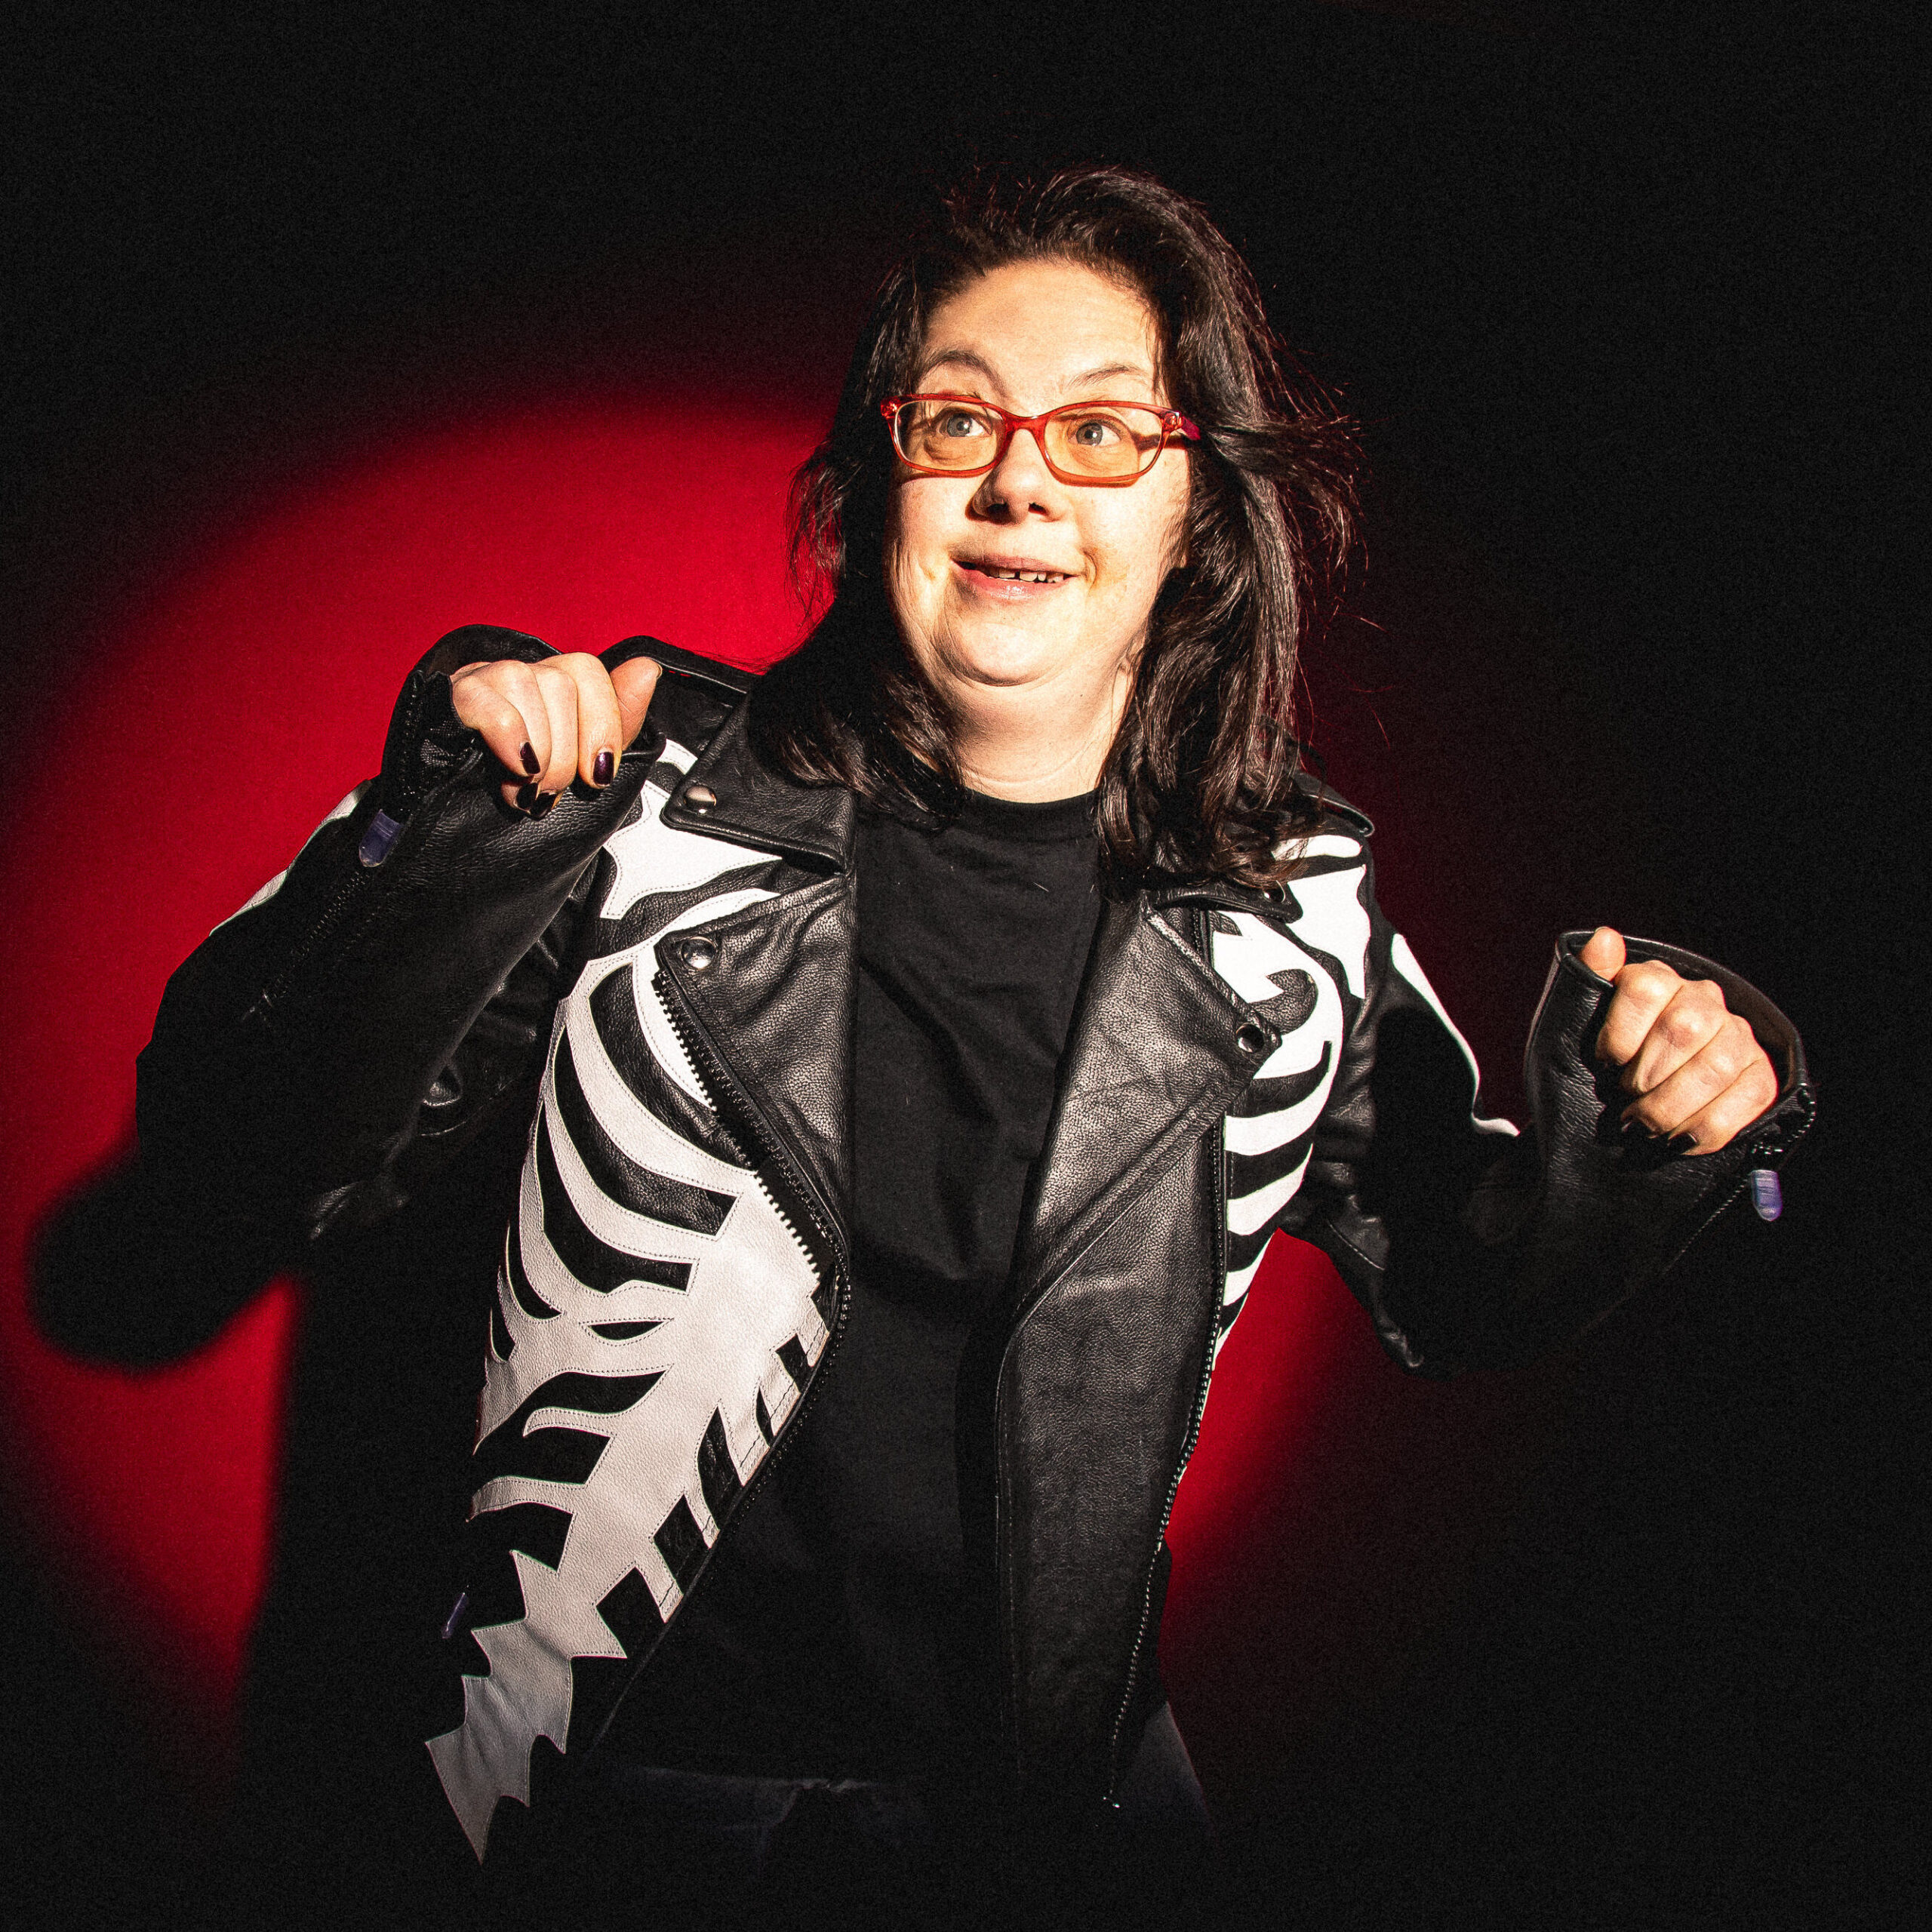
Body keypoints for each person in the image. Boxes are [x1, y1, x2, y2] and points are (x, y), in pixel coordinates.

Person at [129, 166, 1810, 1928]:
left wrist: (1659, 1121)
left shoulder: (1288, 902)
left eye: (1099, 429)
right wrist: (460, 822)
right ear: (879, 479)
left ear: (1193, 516)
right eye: (957, 419)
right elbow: (248, 1150)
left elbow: (1463, 1274)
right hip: (597, 1798)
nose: (1019, 475)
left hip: (1049, 1823)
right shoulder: (643, 790)